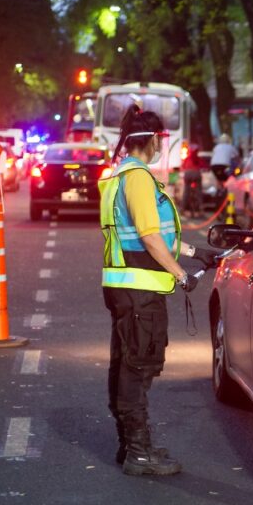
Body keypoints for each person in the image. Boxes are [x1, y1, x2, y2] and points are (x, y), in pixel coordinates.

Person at [99, 105, 221, 476]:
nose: (160, 147)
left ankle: (129, 446)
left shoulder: (120, 175)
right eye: (160, 140)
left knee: (127, 363)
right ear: (152, 140)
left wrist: (193, 251)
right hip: (141, 288)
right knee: (138, 366)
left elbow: (146, 236)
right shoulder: (138, 178)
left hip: (125, 284)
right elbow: (151, 238)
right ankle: (138, 452)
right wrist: (183, 275)